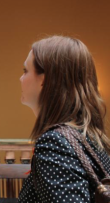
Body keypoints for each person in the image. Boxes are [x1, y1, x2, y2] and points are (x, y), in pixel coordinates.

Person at [18, 36, 110, 203]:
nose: (21, 79)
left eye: (25, 71)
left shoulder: (54, 143)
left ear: (43, 80)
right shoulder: (92, 137)